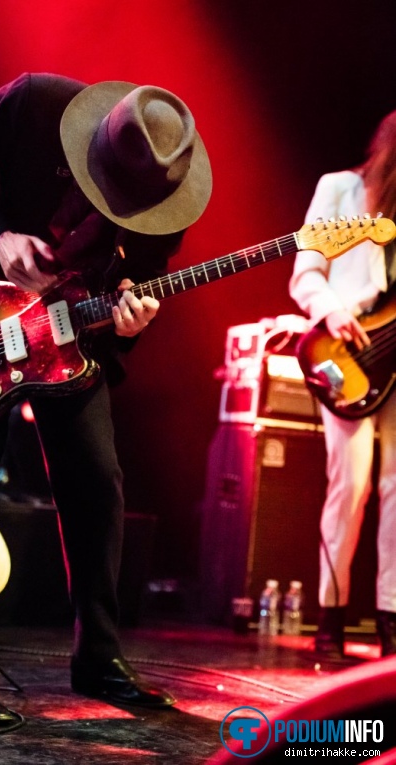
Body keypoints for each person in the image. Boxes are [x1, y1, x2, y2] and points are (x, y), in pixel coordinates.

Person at [0, 72, 212, 724]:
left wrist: (133, 313)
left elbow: (144, 276)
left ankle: (98, 659)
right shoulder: (33, 102)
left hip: (71, 337)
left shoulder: (168, 193)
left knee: (99, 481)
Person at [289, 110, 396, 661]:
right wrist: (330, 311)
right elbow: (304, 271)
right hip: (347, 353)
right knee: (349, 487)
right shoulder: (339, 190)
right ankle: (330, 617)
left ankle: (390, 620)